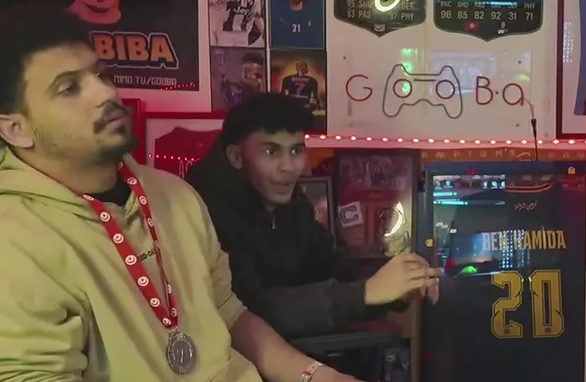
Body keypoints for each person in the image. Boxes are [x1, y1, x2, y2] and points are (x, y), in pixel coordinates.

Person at [0, 7, 480, 382]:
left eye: (100, 74)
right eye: (69, 88)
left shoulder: (170, 194)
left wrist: (323, 380)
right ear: (15, 129)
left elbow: (228, 313)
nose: (106, 93)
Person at [185, 93, 441, 339]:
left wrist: (399, 284)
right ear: (236, 157)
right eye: (271, 152)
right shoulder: (206, 212)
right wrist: (365, 293)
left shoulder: (293, 206)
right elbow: (246, 312)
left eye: (296, 150)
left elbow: (331, 267)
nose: (288, 166)